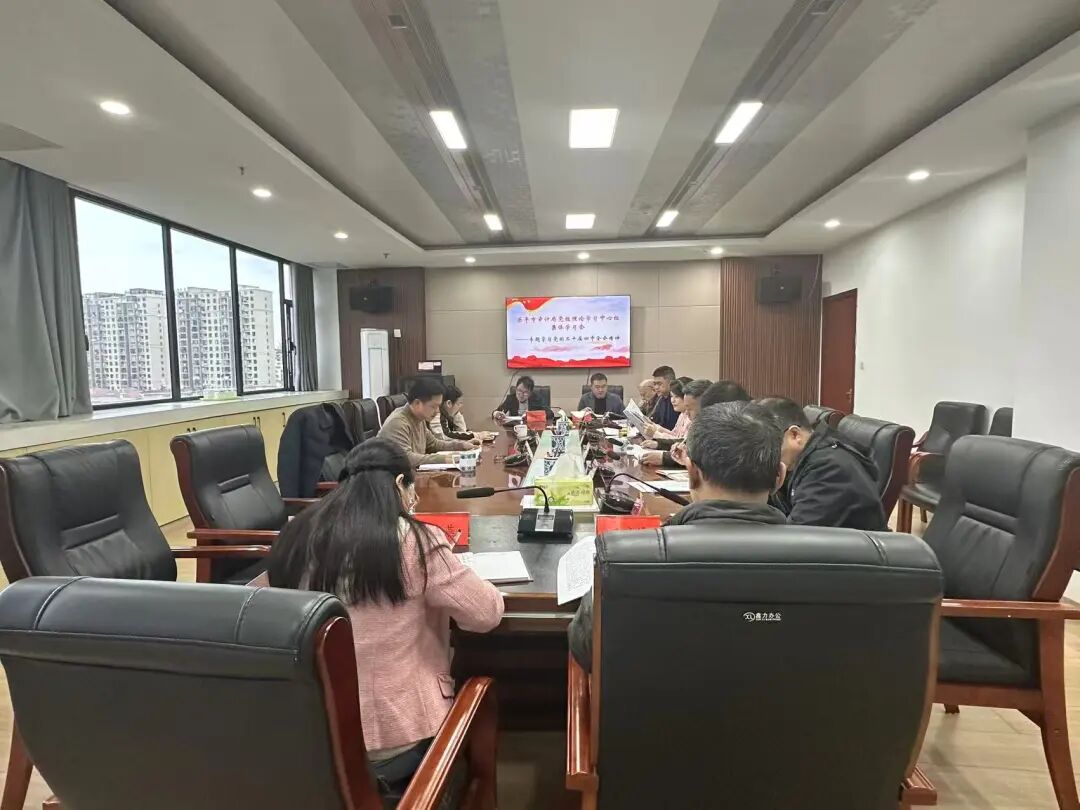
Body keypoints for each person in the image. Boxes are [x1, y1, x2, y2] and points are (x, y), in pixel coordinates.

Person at [266, 440, 504, 799]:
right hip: (399, 744)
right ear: (399, 484)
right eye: (412, 491)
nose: (414, 501)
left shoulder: (296, 535)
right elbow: (485, 615)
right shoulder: (413, 540)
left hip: (312, 740)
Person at [569, 401, 788, 671]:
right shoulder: (835, 557)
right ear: (779, 476)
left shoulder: (628, 558)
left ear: (691, 471)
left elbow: (586, 646)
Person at [756, 396, 887, 531]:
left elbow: (796, 536)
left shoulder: (829, 470)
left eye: (768, 446)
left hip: (855, 544)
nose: (763, 455)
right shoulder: (806, 454)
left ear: (795, 435)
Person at [379, 378, 479, 467]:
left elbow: (434, 444)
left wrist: (461, 445)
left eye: (438, 406)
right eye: (433, 406)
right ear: (417, 403)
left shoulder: (420, 418)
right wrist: (446, 459)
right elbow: (407, 459)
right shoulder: (398, 423)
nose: (437, 411)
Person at [641, 379, 717, 466]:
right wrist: (659, 444)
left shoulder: (714, 427)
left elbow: (695, 457)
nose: (687, 414)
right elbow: (685, 442)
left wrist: (663, 458)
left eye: (690, 409)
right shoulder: (692, 418)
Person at [648, 366, 679, 431]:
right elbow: (654, 419)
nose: (656, 387)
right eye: (654, 384)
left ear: (671, 382)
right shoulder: (659, 398)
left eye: (659, 384)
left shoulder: (678, 401)